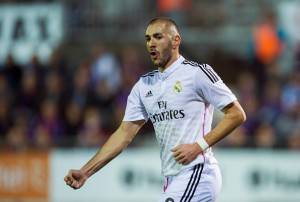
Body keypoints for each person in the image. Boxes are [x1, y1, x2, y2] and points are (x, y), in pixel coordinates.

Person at [64, 17, 246, 202]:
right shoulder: (144, 85)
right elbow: (124, 134)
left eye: (158, 37)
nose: (151, 43)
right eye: (148, 38)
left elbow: (237, 114)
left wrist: (198, 146)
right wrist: (85, 172)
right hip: (171, 178)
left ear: (176, 40)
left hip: (198, 172)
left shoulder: (197, 73)